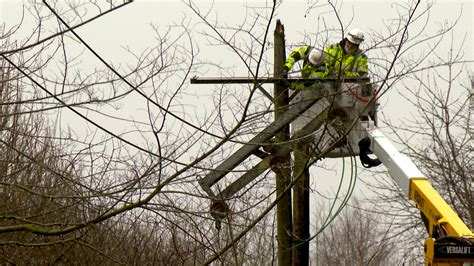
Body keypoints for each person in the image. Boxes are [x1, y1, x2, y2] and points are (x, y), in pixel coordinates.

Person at [283, 28, 368, 84]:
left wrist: (345, 74)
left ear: (357, 45)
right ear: (346, 40)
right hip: (327, 84)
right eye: (349, 43)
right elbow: (322, 62)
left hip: (348, 89)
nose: (350, 46)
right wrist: (286, 68)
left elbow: (362, 75)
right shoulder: (333, 49)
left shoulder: (361, 57)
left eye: (353, 45)